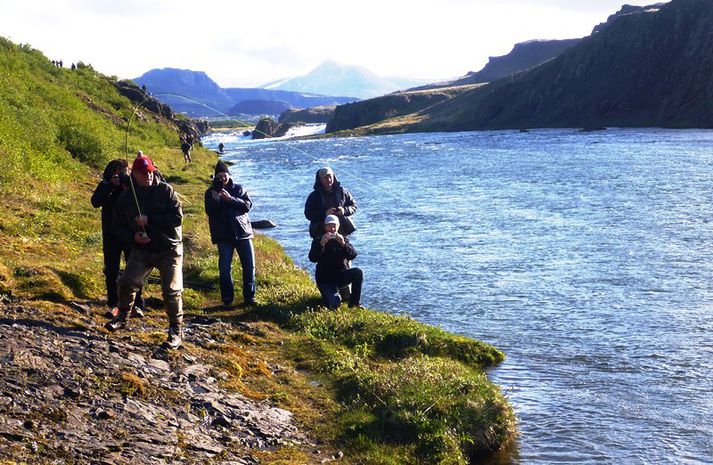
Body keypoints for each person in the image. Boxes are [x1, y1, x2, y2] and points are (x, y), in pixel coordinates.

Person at [106, 153, 185, 349]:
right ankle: (122, 317)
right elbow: (117, 226)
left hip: (169, 248)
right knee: (126, 282)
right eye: (143, 173)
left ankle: (176, 329)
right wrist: (132, 237)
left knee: (171, 291)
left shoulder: (167, 191)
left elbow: (177, 218)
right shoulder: (126, 197)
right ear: (134, 175)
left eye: (150, 172)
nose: (148, 176)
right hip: (143, 248)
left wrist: (150, 220)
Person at [91, 159, 145, 319]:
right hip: (111, 234)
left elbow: (140, 202)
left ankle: (136, 304)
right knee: (111, 270)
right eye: (117, 172)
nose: (120, 175)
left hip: (130, 234)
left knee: (134, 270)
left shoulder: (131, 187)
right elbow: (95, 202)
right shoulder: (105, 185)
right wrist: (109, 186)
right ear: (110, 173)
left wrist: (127, 186)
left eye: (123, 171)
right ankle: (113, 304)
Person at [204, 161, 257, 308]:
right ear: (215, 178)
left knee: (249, 266)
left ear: (229, 175)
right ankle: (227, 298)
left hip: (243, 233)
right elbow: (210, 212)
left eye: (224, 175)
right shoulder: (210, 192)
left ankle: (250, 298)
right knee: (225, 268)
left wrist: (230, 199)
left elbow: (247, 206)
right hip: (223, 236)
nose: (222, 179)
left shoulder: (238, 188)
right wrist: (216, 200)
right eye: (219, 176)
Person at [308, 215, 363, 309]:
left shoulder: (343, 239)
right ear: (325, 227)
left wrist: (343, 244)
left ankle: (354, 304)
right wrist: (322, 244)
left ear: (338, 227)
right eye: (329, 226)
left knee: (358, 272)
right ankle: (328, 297)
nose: (332, 229)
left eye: (334, 226)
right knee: (335, 304)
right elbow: (313, 258)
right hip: (325, 280)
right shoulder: (318, 240)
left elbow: (353, 255)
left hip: (340, 276)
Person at [304, 167, 357, 238]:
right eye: (325, 178)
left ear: (334, 177)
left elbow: (353, 206)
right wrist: (324, 214)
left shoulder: (342, 192)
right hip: (320, 233)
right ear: (320, 180)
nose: (328, 180)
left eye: (330, 177)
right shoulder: (314, 196)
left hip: (342, 231)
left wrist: (344, 210)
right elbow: (308, 214)